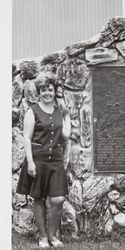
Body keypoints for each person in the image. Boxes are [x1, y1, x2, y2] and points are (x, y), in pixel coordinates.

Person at [16, 73, 71, 248]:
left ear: (54, 92)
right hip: (38, 160)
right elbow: (26, 138)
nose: (47, 92)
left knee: (58, 199)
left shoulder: (59, 111)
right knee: (38, 199)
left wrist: (68, 115)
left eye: (50, 89)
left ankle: (52, 234)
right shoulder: (33, 111)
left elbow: (66, 136)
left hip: (55, 161)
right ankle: (43, 237)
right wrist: (30, 162)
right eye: (44, 90)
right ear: (39, 92)